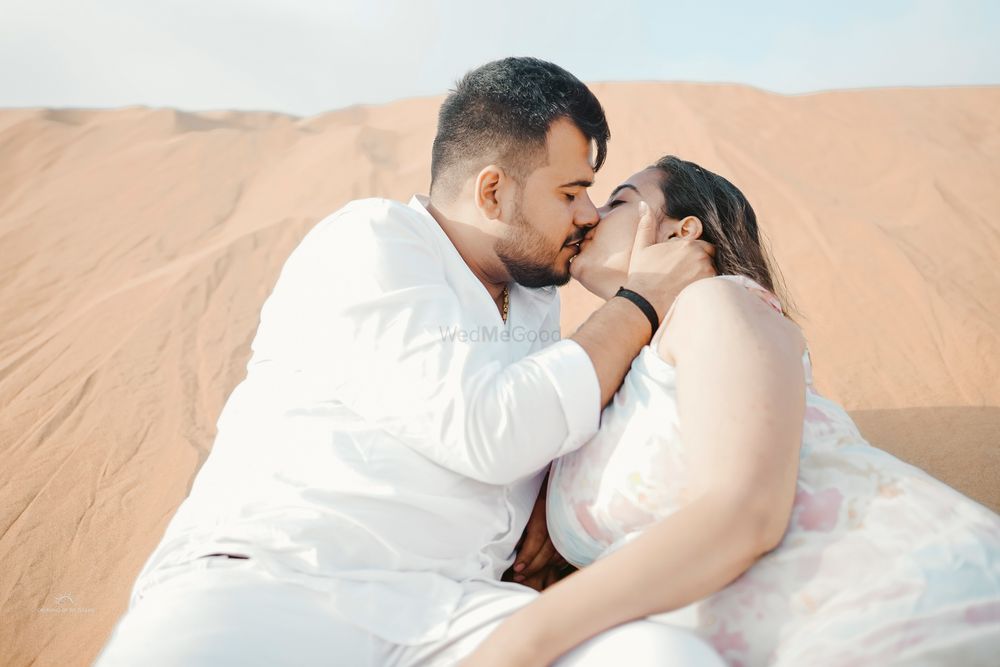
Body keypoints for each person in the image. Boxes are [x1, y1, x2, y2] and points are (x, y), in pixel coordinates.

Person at [94, 59, 723, 666]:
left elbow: (538, 416)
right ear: (494, 191)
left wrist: (547, 493)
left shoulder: (534, 298)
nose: (588, 214)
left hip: (456, 614)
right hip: (280, 586)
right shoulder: (370, 241)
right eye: (571, 192)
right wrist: (642, 301)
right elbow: (490, 429)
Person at [461, 156, 1000, 667]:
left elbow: (742, 512)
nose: (588, 216)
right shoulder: (624, 384)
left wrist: (517, 644)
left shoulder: (716, 301)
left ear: (682, 232)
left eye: (618, 202)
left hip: (896, 603)